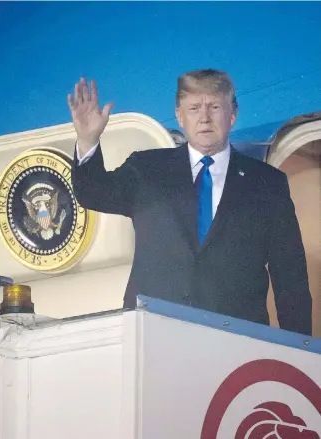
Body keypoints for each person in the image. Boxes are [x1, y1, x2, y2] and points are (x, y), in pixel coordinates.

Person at [67, 69, 312, 336]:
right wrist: (88, 140)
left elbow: (290, 278)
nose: (205, 117)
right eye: (194, 108)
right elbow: (93, 194)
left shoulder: (267, 184)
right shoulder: (148, 169)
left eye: (214, 106)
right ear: (180, 117)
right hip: (154, 336)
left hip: (237, 346)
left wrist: (301, 351)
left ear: (233, 114)